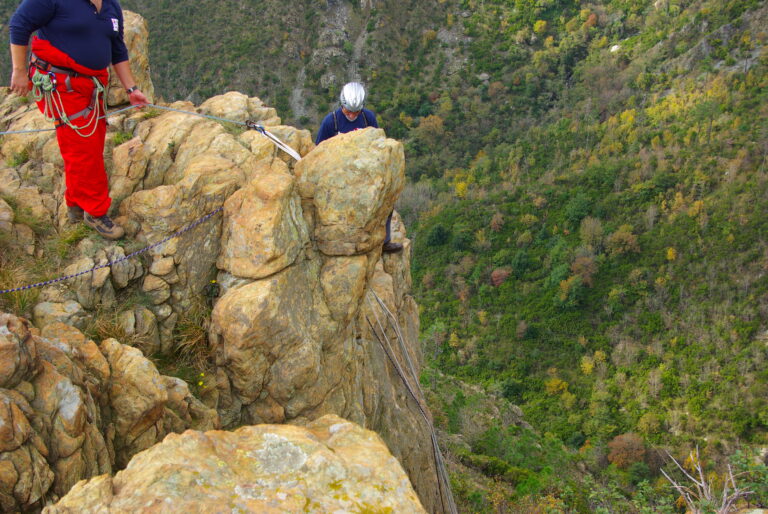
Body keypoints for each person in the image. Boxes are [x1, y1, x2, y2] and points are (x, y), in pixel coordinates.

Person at [9, 0, 148, 240]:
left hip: (92, 85)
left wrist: (131, 89)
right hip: (61, 83)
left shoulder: (111, 6)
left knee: (87, 145)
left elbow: (117, 49)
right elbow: (19, 24)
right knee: (85, 149)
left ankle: (75, 204)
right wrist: (19, 71)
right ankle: (95, 212)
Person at [316, 82, 403, 253]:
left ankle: (384, 241)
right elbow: (318, 150)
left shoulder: (367, 118)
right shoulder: (331, 122)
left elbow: (378, 142)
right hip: (338, 173)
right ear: (342, 105)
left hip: (364, 171)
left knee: (385, 202)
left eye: (355, 112)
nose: (351, 115)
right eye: (348, 111)